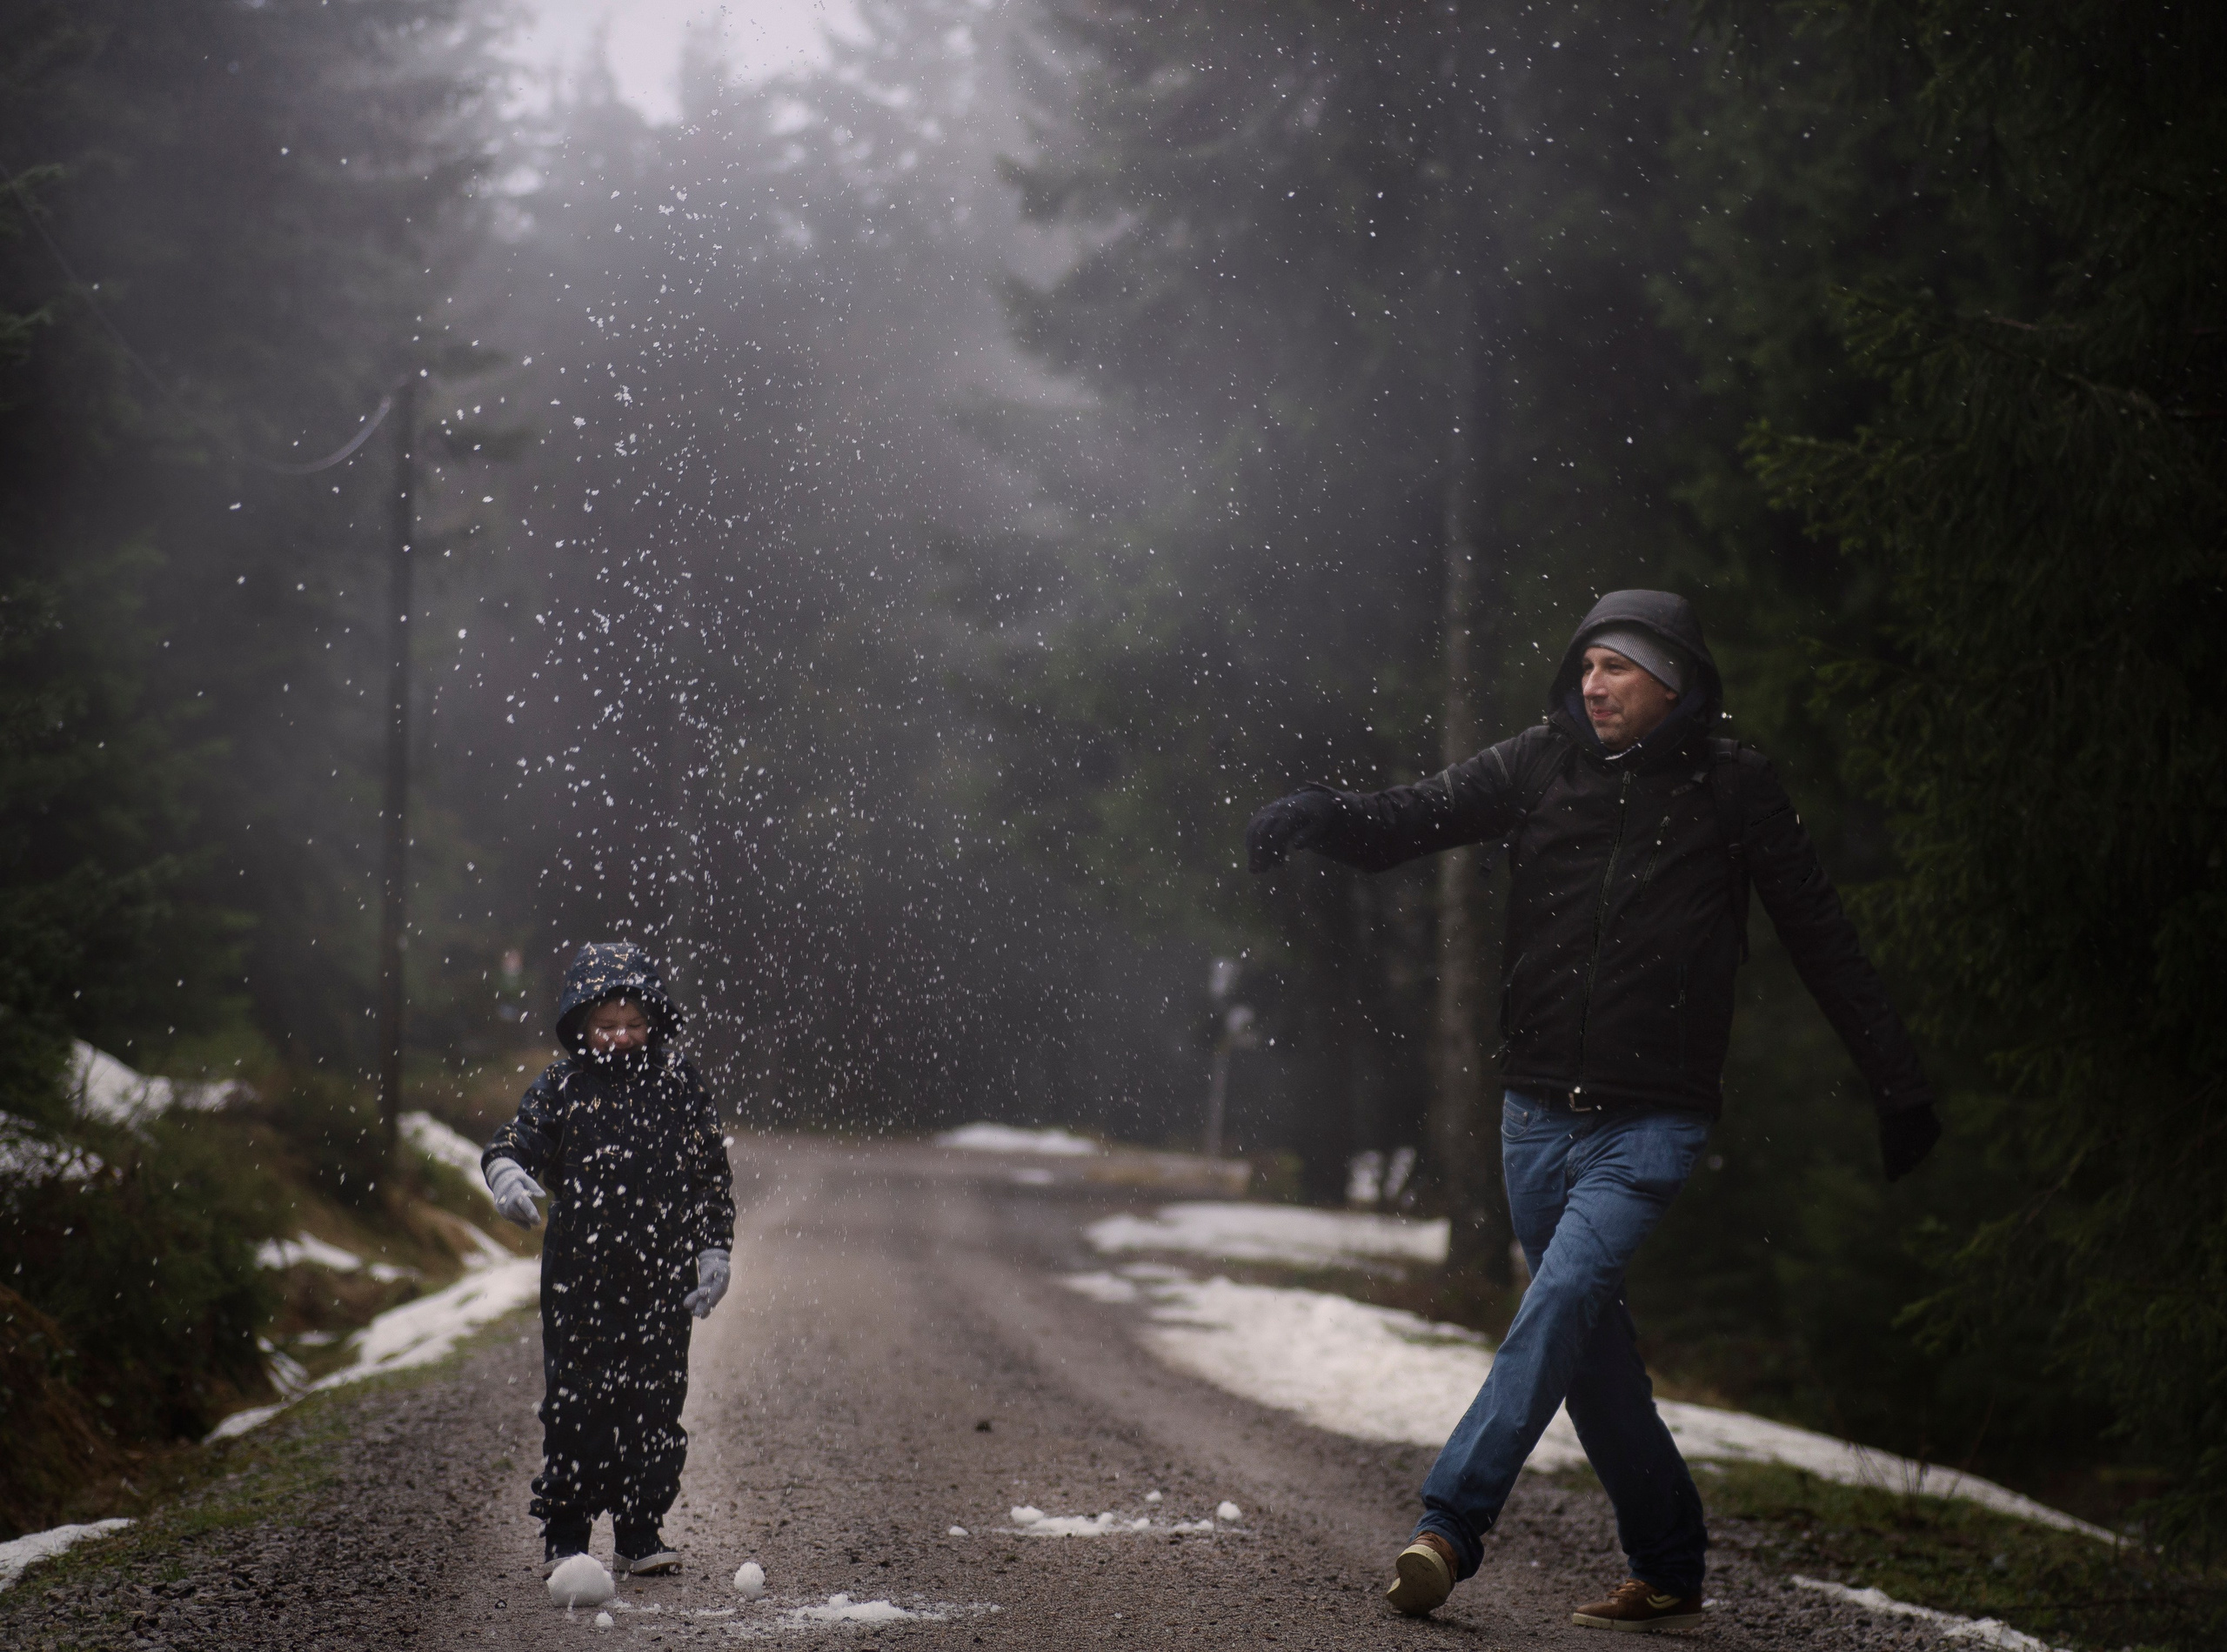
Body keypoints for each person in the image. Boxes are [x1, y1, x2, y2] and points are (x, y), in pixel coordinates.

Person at [1244, 590, 1940, 1632]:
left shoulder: (1733, 787)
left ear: (1673, 682)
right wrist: (1323, 814)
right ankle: (1667, 1567)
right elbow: (1413, 818)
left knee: (1560, 1301)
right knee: (1586, 1344)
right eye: (1585, 666)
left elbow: (1821, 938)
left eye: (1615, 667)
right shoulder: (1536, 765)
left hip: (1651, 1119)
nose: (1592, 683)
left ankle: (1449, 1525)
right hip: (1534, 1113)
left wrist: (1897, 1081)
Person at [481, 940, 737, 1578]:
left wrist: (713, 1249)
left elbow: (710, 1172)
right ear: (582, 1023)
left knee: (654, 1407)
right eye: (607, 1024)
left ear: (652, 1021)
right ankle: (566, 1539)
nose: (621, 1036)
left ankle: (639, 1532)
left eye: (633, 1023)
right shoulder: (564, 1084)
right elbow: (518, 1138)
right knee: (577, 1408)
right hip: (580, 1278)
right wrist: (508, 1172)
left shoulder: (678, 1081)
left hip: (662, 1277)